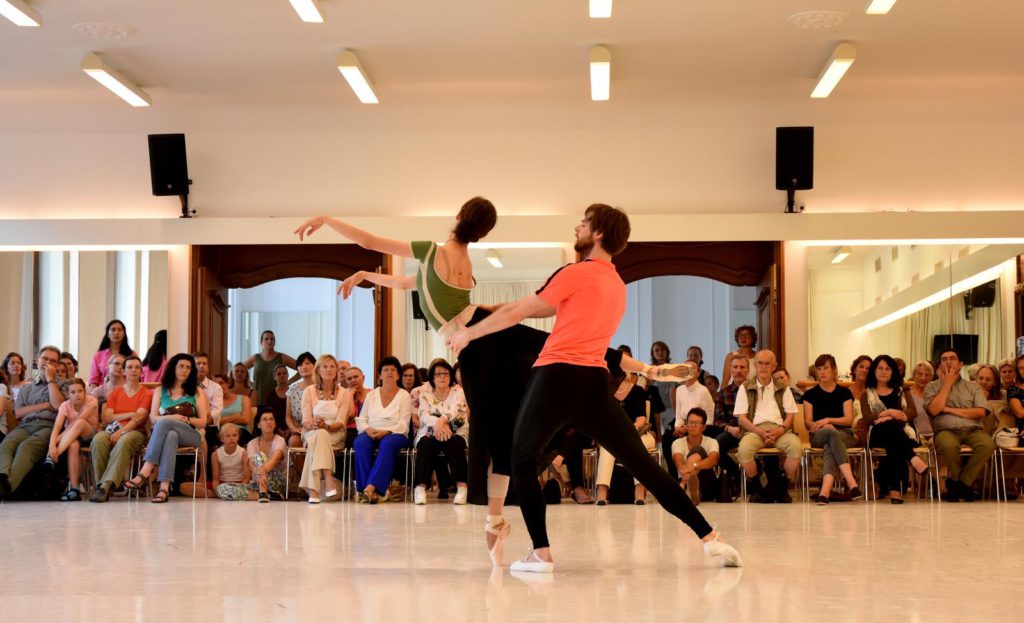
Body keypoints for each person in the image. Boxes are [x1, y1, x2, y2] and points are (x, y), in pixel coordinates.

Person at [297, 198, 689, 564]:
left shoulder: (433, 252)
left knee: (496, 425)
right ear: (481, 234)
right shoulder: (460, 260)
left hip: (478, 342)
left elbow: (368, 240)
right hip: (483, 330)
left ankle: (495, 520)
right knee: (540, 364)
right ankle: (646, 369)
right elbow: (406, 285)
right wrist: (368, 275)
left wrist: (328, 220)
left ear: (459, 218)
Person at [447, 203, 741, 572]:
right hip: (592, 383)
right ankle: (711, 539)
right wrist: (490, 309)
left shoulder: (575, 272)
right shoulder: (616, 285)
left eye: (584, 223)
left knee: (519, 460)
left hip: (555, 376)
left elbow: (521, 312)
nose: (577, 228)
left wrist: (469, 332)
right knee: (644, 468)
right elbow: (535, 308)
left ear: (598, 233)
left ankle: (541, 552)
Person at [124, 353, 210, 503]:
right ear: (173, 368)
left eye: (188, 367)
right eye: (181, 366)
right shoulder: (160, 391)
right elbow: (152, 418)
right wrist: (172, 418)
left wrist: (187, 419)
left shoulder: (196, 392)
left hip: (192, 434)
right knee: (170, 435)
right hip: (169, 435)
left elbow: (203, 422)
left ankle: (145, 471)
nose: (184, 370)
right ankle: (164, 489)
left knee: (163, 423)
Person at [925, 348, 994, 502]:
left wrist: (948, 409)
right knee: (949, 445)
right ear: (940, 365)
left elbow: (981, 412)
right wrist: (947, 384)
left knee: (988, 444)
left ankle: (960, 483)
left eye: (953, 358)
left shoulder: (973, 387)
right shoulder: (931, 387)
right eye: (944, 359)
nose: (948, 361)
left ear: (961, 364)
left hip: (973, 430)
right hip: (946, 431)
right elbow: (934, 409)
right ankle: (959, 482)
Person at [735, 349, 802, 504]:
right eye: (760, 363)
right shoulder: (745, 387)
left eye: (767, 363)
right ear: (754, 365)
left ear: (774, 366)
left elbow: (791, 415)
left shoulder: (783, 387)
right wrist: (759, 431)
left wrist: (781, 430)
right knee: (744, 449)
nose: (764, 367)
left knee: (796, 447)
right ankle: (756, 486)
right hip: (754, 429)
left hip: (780, 429)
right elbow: (742, 418)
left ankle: (782, 486)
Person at [862, 354, 929, 504]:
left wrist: (890, 415)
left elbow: (912, 412)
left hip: (900, 433)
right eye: (880, 368)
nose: (884, 371)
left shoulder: (902, 391)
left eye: (887, 368)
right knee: (891, 428)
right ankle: (911, 460)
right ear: (874, 371)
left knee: (894, 441)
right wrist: (890, 413)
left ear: (893, 372)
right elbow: (868, 418)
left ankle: (894, 491)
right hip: (877, 434)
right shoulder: (867, 394)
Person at [0, 346, 64, 500]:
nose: (47, 362)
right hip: (26, 425)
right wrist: (43, 405)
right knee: (7, 443)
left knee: (26, 447)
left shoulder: (63, 385)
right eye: (45, 358)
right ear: (38, 361)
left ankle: (6, 487)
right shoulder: (27, 388)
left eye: (53, 360)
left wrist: (50, 380)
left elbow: (57, 406)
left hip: (49, 426)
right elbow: (18, 413)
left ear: (57, 365)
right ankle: (2, 478)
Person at [90, 355, 152, 502]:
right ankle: (102, 485)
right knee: (98, 439)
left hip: (136, 432)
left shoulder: (146, 393)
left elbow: (139, 419)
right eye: (129, 367)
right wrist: (130, 413)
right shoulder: (115, 392)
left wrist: (121, 430)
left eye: (137, 367)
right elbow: (108, 417)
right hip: (113, 428)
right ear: (123, 371)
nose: (133, 370)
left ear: (141, 372)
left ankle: (105, 486)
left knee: (124, 440)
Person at [801, 354, 862, 505]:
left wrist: (828, 420)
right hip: (818, 434)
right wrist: (823, 426)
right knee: (831, 434)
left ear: (834, 370)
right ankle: (851, 483)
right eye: (819, 369)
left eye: (826, 368)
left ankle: (824, 492)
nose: (822, 372)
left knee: (831, 443)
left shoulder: (844, 392)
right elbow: (808, 423)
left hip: (844, 434)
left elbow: (848, 419)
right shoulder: (810, 394)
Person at [595, 367, 659, 505]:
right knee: (608, 447)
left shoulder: (638, 391)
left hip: (639, 434)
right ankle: (602, 490)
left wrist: (628, 431)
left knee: (636, 445)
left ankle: (639, 489)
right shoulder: (606, 393)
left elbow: (642, 419)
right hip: (614, 435)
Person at [354, 357, 412, 503]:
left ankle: (372, 487)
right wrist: (368, 430)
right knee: (360, 443)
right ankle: (364, 491)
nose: (389, 372)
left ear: (398, 375)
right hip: (371, 429)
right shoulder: (371, 394)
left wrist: (386, 432)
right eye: (385, 370)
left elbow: (404, 423)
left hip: (395, 433)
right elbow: (361, 419)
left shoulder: (404, 395)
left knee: (388, 444)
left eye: (393, 370)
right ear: (379, 375)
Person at [413, 359, 469, 505]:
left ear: (450, 375)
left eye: (445, 373)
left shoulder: (459, 392)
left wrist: (441, 422)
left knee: (455, 442)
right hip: (429, 430)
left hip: (457, 428)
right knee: (425, 443)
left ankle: (462, 487)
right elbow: (423, 416)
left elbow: (457, 413)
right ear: (432, 377)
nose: (442, 376)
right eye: (438, 374)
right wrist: (438, 425)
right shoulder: (425, 395)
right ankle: (420, 488)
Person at [299, 354, 351, 504]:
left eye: (332, 366)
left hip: (334, 433)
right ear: (318, 371)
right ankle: (329, 478)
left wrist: (326, 426)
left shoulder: (344, 393)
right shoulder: (309, 391)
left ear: (336, 371)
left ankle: (313, 492)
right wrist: (316, 424)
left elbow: (341, 422)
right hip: (311, 431)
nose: (329, 370)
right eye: (325, 366)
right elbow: (306, 420)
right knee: (319, 434)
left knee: (317, 441)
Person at [45, 378, 100, 501]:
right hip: (70, 438)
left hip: (90, 434)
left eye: (80, 391)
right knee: (73, 445)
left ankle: (52, 458)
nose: (77, 394)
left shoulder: (92, 400)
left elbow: (78, 420)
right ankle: (75, 489)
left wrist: (60, 439)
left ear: (85, 391)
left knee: (80, 422)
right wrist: (51, 446)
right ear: (68, 394)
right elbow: (57, 427)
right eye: (73, 392)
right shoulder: (65, 405)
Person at [663, 360, 714, 479]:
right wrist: (678, 428)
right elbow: (679, 415)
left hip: (701, 427)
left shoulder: (703, 391)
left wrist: (689, 428)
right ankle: (675, 477)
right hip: (684, 426)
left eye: (693, 368)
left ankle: (688, 477)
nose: (689, 371)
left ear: (698, 373)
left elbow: (709, 419)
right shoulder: (680, 390)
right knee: (667, 439)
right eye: (686, 368)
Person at [713, 356, 750, 502]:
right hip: (732, 431)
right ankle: (736, 474)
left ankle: (756, 480)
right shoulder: (723, 393)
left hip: (752, 431)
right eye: (735, 367)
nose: (738, 371)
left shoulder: (754, 390)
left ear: (748, 370)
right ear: (730, 370)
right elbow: (717, 420)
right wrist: (729, 428)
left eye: (742, 367)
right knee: (716, 445)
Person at [671, 407, 720, 506]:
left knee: (698, 450)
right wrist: (685, 471)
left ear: (704, 427)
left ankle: (686, 487)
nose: (692, 426)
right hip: (686, 479)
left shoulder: (712, 442)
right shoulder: (677, 443)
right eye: (690, 422)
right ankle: (691, 492)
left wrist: (694, 465)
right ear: (686, 424)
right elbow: (678, 463)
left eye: (696, 423)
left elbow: (713, 460)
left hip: (706, 483)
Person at [243, 330, 297, 404]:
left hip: (278, 400)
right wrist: (248, 383)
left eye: (272, 339)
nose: (269, 341)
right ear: (261, 342)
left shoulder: (282, 357)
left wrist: (289, 382)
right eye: (266, 339)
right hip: (258, 400)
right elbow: (237, 369)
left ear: (274, 342)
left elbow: (300, 368)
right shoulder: (255, 358)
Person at [88, 319, 136, 391]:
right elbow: (93, 381)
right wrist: (96, 396)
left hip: (126, 392)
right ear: (107, 334)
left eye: (120, 330)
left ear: (124, 334)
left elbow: (136, 377)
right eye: (113, 330)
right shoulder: (98, 355)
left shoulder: (132, 355)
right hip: (103, 394)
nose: (116, 333)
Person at [285, 351, 316, 449]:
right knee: (293, 441)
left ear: (315, 366)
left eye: (307, 363)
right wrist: (293, 428)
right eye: (300, 365)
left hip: (318, 428)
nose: (304, 367)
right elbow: (288, 416)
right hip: (299, 430)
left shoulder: (322, 386)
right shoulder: (293, 389)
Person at [215, 372, 253, 446]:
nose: (219, 386)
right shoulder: (214, 403)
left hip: (241, 431)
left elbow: (245, 420)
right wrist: (235, 416)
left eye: (221, 383)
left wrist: (222, 420)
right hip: (222, 433)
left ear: (227, 384)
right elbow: (214, 422)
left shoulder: (244, 399)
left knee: (232, 436)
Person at [908, 361, 935, 444]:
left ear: (931, 377)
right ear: (914, 375)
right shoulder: (906, 394)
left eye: (927, 375)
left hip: (935, 437)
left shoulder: (936, 394)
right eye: (920, 374)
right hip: (914, 437)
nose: (923, 378)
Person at [344, 366, 372, 449]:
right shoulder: (344, 395)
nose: (353, 380)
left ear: (363, 378)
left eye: (356, 377)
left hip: (369, 428)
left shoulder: (373, 394)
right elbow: (346, 419)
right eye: (349, 379)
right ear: (346, 382)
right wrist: (350, 396)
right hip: (351, 430)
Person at [264, 364, 291, 437]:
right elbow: (268, 414)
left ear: (288, 375)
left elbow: (296, 415)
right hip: (273, 429)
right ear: (274, 377)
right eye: (279, 374)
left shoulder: (293, 392)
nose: (282, 375)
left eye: (284, 373)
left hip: (291, 429)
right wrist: (277, 430)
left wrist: (290, 429)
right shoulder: (270, 394)